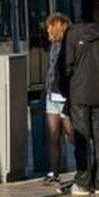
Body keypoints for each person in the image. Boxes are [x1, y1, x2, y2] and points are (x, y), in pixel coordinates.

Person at [61, 0, 99, 196]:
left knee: (82, 138)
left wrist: (65, 89)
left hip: (78, 94)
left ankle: (84, 181)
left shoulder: (72, 34)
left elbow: (65, 66)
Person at [43, 13, 75, 185]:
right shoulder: (54, 46)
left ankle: (86, 167)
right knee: (54, 135)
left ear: (57, 28)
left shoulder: (68, 46)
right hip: (52, 96)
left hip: (64, 97)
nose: (47, 29)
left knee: (71, 134)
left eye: (50, 26)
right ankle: (54, 172)